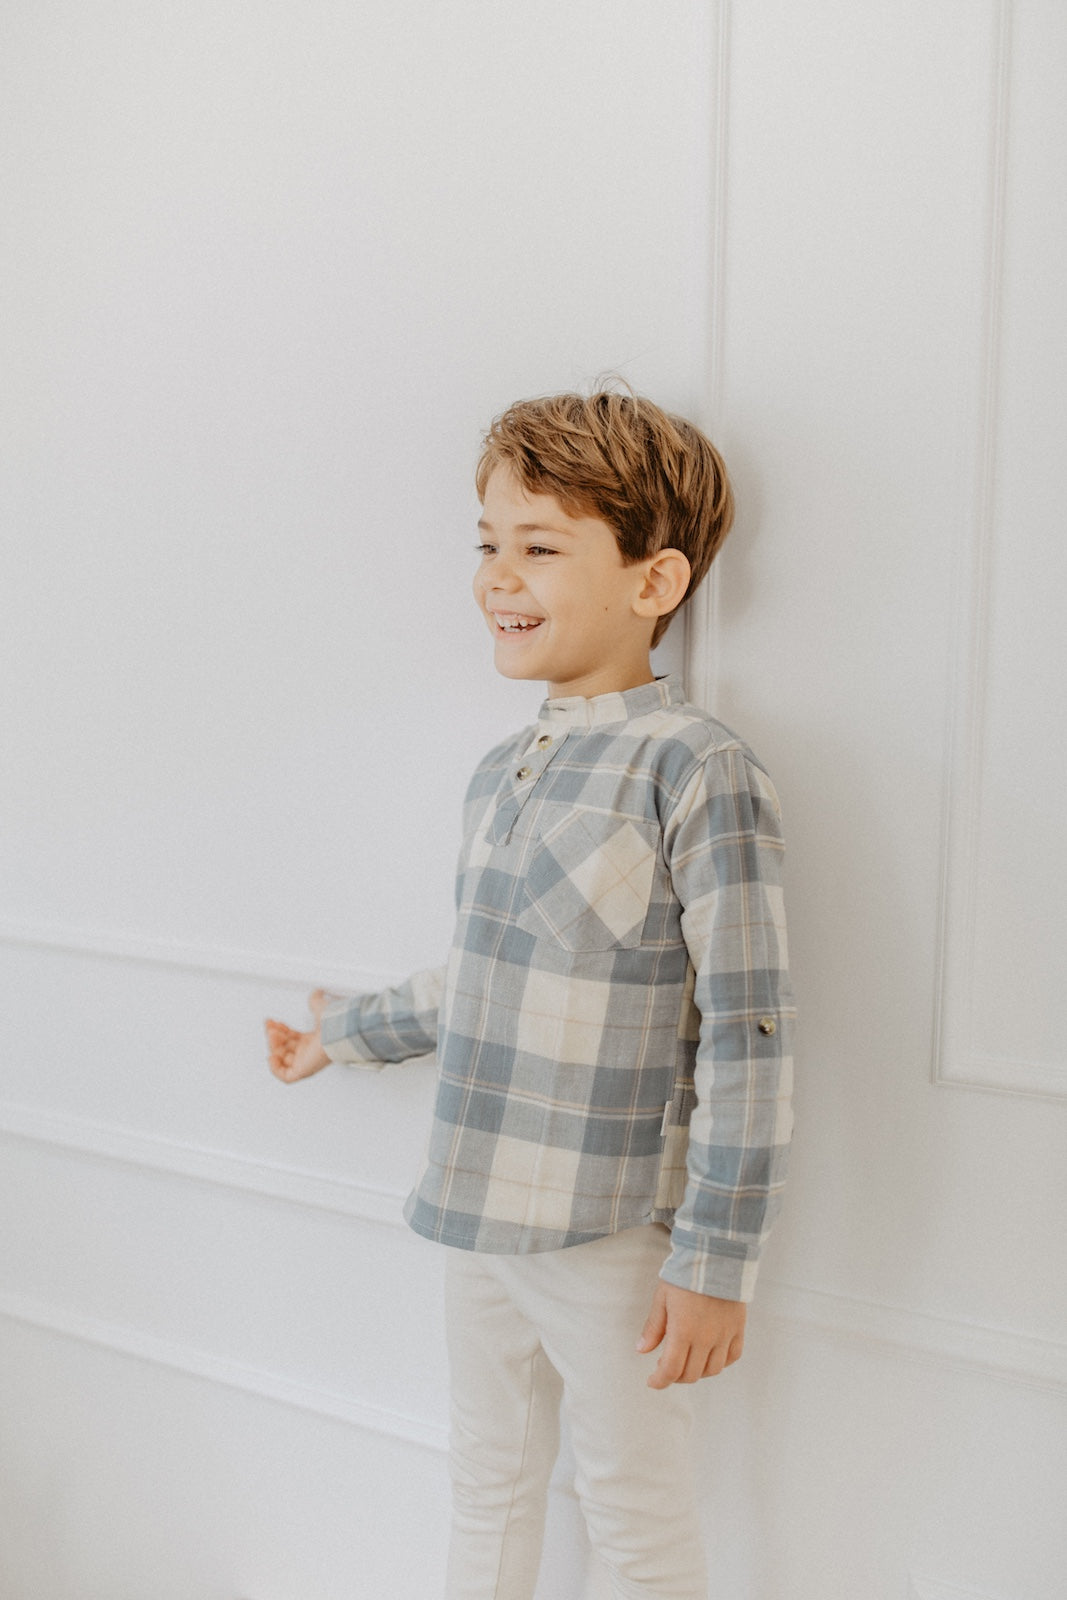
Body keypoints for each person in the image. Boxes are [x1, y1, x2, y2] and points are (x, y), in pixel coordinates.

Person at [265, 389, 795, 1600]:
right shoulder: (501, 770)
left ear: (653, 582)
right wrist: (335, 1036)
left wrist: (716, 1255)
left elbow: (751, 1032)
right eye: (488, 544)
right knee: (487, 1485)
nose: (497, 576)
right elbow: (480, 978)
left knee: (633, 1511)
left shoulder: (694, 766)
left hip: (607, 1229)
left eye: (540, 546)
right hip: (472, 1207)